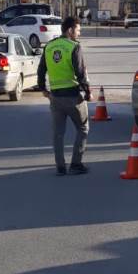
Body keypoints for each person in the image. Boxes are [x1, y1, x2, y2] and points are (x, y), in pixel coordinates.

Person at [37, 17, 93, 176]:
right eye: (78, 29)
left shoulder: (49, 46)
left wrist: (43, 89)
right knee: (83, 128)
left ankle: (60, 167)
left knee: (58, 134)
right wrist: (88, 92)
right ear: (70, 30)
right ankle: (76, 164)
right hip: (73, 97)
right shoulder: (74, 47)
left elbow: (41, 70)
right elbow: (80, 72)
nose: (79, 33)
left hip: (55, 98)